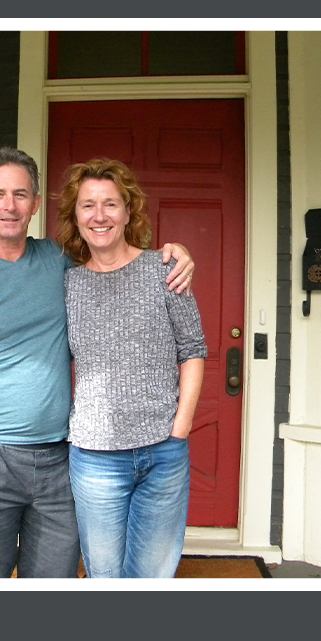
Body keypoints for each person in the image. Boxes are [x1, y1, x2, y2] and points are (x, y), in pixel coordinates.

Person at [0, 147, 194, 578]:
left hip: (59, 462)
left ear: (34, 204)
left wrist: (171, 252)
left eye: (20, 194)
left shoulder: (58, 261)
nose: (9, 205)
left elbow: (115, 257)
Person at [56, 158, 206, 578]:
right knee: (105, 575)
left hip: (163, 451)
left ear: (127, 211)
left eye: (110, 204)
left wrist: (181, 427)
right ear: (75, 215)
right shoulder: (67, 283)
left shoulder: (164, 269)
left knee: (152, 576)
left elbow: (193, 349)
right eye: (88, 205)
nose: (99, 216)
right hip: (95, 457)